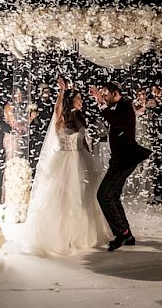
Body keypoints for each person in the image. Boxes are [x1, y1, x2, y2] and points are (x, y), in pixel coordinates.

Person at [21, 77, 111, 256]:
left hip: (81, 159)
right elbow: (57, 110)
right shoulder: (60, 120)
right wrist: (61, 92)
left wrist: (90, 160)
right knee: (65, 198)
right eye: (78, 99)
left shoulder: (80, 118)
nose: (81, 101)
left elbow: (83, 141)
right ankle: (64, 236)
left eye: (81, 99)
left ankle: (83, 236)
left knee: (85, 197)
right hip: (64, 162)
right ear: (71, 101)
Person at [89, 82, 151, 251]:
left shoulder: (125, 106)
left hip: (125, 159)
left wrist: (100, 102)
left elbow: (116, 122)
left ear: (115, 93)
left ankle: (121, 233)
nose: (104, 97)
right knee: (113, 196)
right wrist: (102, 102)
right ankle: (127, 234)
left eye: (106, 94)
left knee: (103, 195)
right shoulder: (118, 106)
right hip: (120, 159)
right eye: (102, 94)